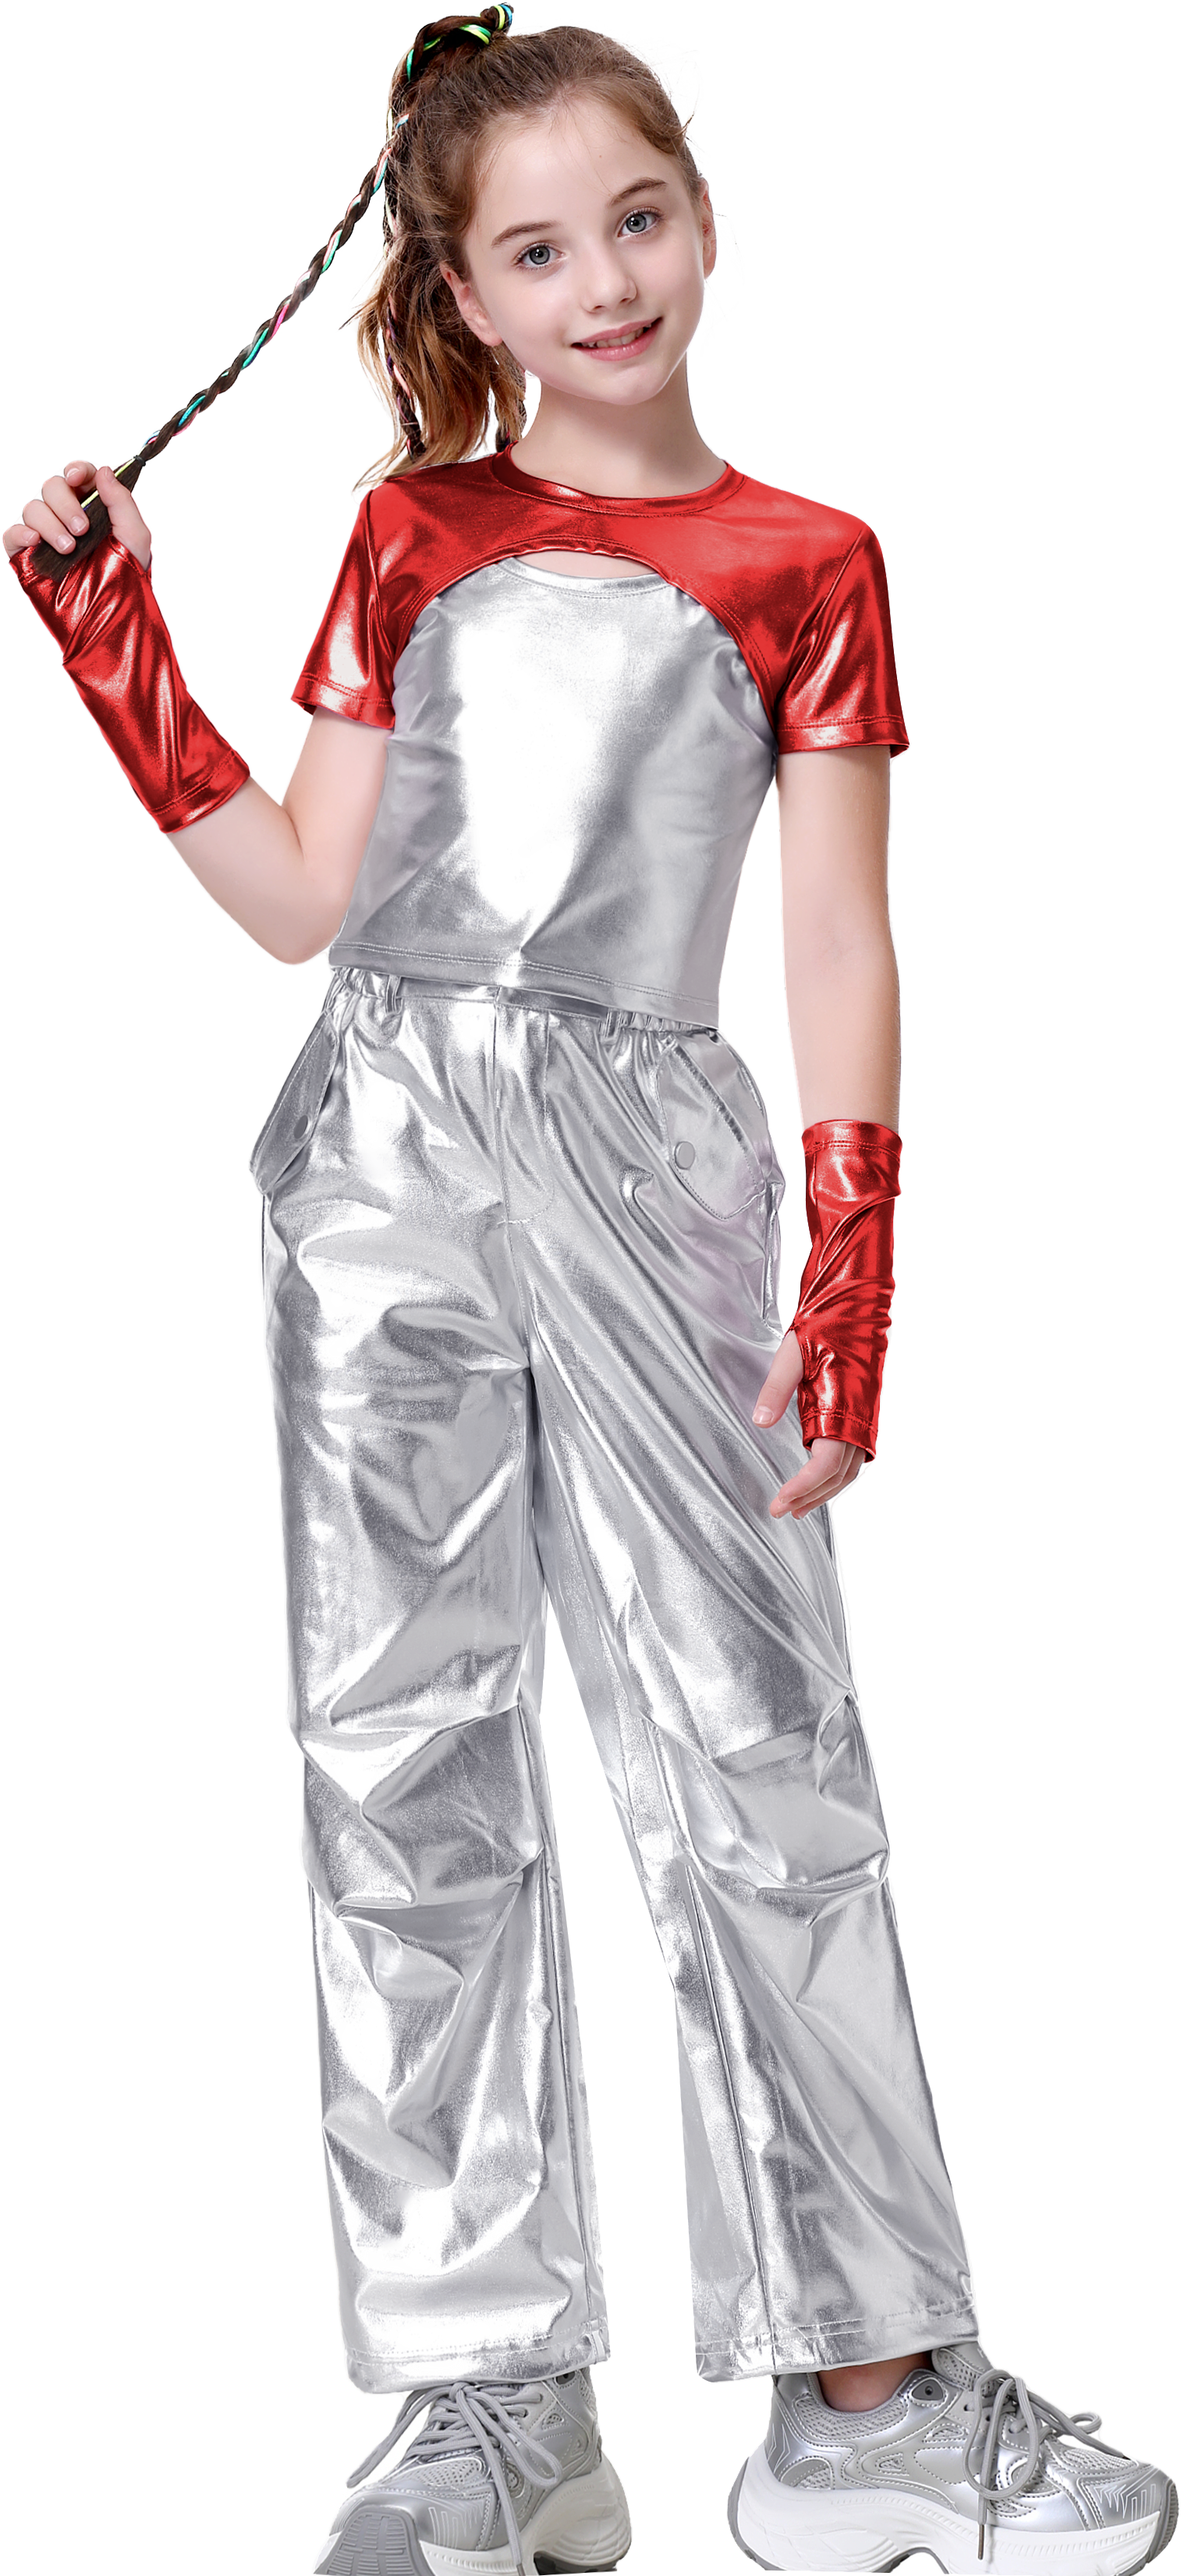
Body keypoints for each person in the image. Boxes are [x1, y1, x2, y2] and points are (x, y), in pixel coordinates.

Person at [6, 15, 1176, 2574]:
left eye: (636, 216)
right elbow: (306, 906)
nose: (605, 278)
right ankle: (489, 2395)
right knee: (393, 1750)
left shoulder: (807, 561)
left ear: (702, 213)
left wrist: (853, 1264)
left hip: (654, 1160)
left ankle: (867, 2388)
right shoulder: (407, 529)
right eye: (536, 248)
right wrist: (120, 655)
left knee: (761, 1739)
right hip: (381, 1149)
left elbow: (840, 943)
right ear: (466, 294)